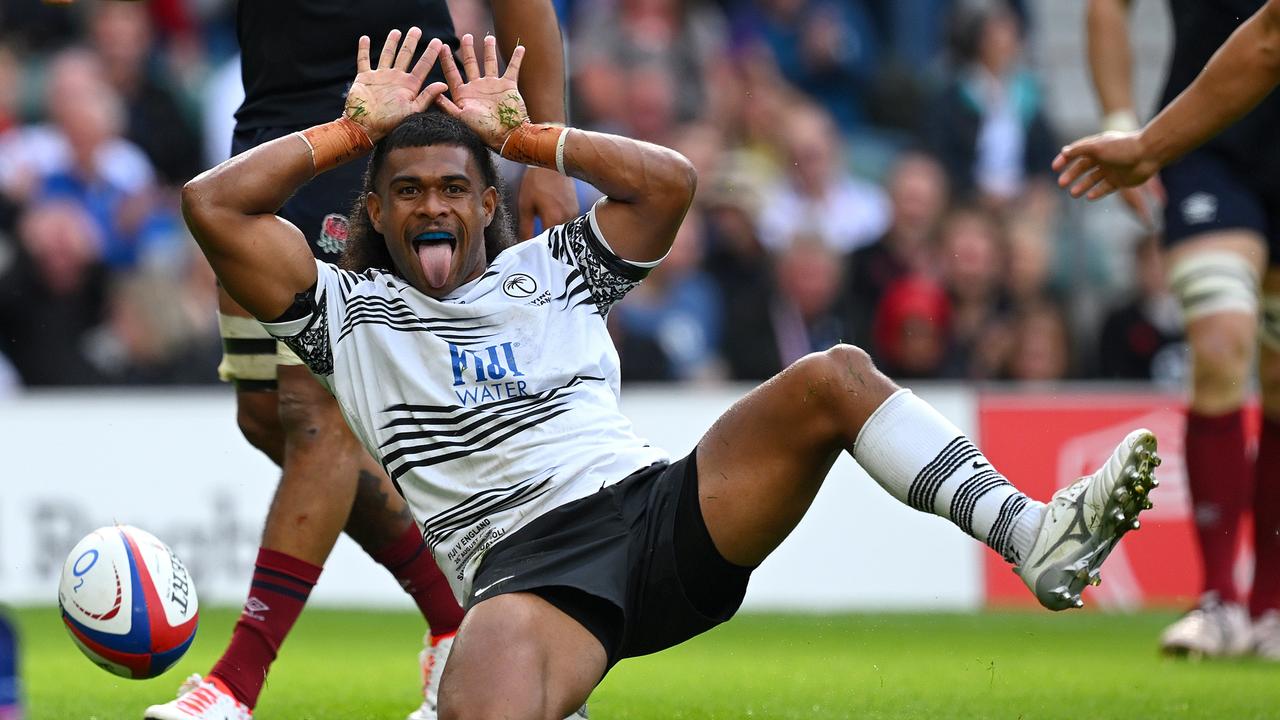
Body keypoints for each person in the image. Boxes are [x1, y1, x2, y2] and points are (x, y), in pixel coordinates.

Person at [181, 30, 1163, 718]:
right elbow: (211, 208)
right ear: (378, 213)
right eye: (403, 192)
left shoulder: (551, 265)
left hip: (657, 516)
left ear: (486, 204)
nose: (429, 206)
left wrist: (528, 139)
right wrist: (353, 129)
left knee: (832, 375)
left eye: (451, 187)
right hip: (526, 579)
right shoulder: (345, 314)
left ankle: (1030, 535)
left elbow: (670, 183)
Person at [63, 0, 581, 718]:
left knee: (319, 420)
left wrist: (547, 150)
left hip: (388, 121)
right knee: (266, 419)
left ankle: (233, 686)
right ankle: (462, 625)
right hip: (272, 129)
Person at [1057, 0, 1280, 660]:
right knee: (1219, 342)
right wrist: (1128, 124)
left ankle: (1269, 607)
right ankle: (1215, 600)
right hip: (1208, 142)